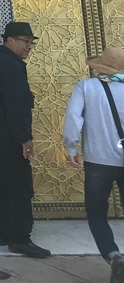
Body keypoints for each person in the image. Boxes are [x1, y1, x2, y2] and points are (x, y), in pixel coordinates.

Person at [0, 20, 50, 258]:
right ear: (10, 41)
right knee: (19, 188)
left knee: (0, 187)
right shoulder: (11, 65)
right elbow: (16, 106)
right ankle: (20, 238)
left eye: (31, 43)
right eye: (25, 42)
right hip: (9, 140)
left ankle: (4, 233)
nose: (29, 47)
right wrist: (24, 139)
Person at [64, 46, 124, 283]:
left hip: (97, 161)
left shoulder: (86, 87)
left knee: (97, 213)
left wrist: (71, 147)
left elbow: (72, 119)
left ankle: (114, 257)